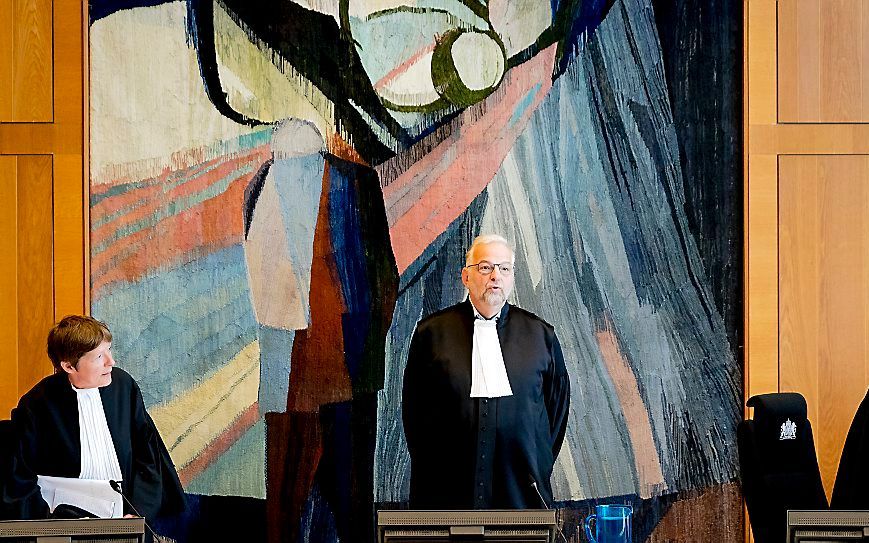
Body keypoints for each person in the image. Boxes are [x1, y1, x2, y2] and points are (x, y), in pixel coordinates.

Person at [402, 235, 571, 509]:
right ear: (466, 277)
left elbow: (556, 411)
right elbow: (414, 415)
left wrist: (534, 457)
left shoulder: (541, 336)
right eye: (485, 267)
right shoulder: (430, 334)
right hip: (446, 494)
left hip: (519, 492)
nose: (496, 276)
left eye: (504, 268)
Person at [2, 315, 185, 522]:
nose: (111, 362)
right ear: (69, 367)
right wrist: (49, 520)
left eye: (109, 350)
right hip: (62, 521)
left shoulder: (124, 387)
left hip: (126, 512)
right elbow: (20, 475)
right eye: (99, 357)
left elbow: (147, 455)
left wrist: (137, 513)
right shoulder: (37, 404)